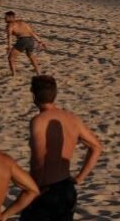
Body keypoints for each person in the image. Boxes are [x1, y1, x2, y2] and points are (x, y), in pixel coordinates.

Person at [21, 75, 102, 221]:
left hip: (46, 190)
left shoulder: (38, 121)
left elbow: (38, 163)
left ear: (33, 95)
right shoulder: (72, 118)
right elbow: (96, 147)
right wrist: (79, 178)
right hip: (67, 188)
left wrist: (33, 191)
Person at [5, 11, 46, 77]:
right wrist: (40, 41)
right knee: (31, 57)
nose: (4, 19)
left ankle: (14, 75)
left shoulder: (10, 25)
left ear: (10, 17)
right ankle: (39, 73)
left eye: (6, 17)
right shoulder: (22, 22)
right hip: (30, 40)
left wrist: (9, 47)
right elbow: (31, 32)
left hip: (22, 41)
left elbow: (9, 36)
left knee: (11, 58)